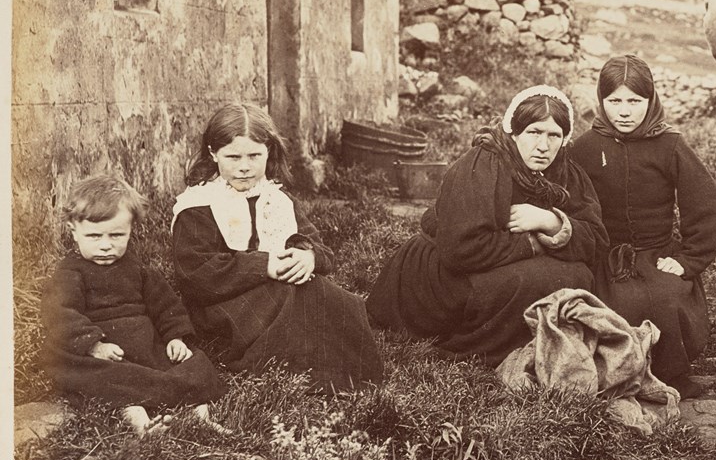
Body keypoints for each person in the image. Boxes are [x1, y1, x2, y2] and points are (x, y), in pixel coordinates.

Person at [366, 85, 608, 363]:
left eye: (554, 135)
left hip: (497, 261)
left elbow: (596, 241)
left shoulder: (566, 171)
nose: (543, 146)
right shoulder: (484, 164)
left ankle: (538, 345)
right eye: (534, 133)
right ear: (514, 133)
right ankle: (484, 347)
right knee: (531, 280)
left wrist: (551, 222)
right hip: (441, 279)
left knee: (577, 276)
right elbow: (461, 250)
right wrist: (532, 243)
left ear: (565, 139)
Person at [172, 103, 384, 394]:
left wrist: (307, 255)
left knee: (336, 298)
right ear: (213, 154)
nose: (244, 166)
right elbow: (195, 274)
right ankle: (299, 372)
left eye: (254, 156)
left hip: (272, 287)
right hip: (221, 300)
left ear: (268, 152)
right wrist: (264, 266)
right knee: (287, 299)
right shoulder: (198, 206)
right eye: (232, 157)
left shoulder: (276, 198)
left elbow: (318, 245)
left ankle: (351, 376)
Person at [573, 55, 716, 397]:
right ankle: (623, 375)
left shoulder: (669, 144)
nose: (624, 111)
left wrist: (689, 260)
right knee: (619, 307)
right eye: (615, 101)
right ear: (601, 102)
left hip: (657, 253)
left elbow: (709, 206)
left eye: (634, 101)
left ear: (651, 100)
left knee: (667, 299)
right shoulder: (584, 148)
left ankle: (672, 375)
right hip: (607, 256)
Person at [42, 175, 226, 435]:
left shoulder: (137, 268)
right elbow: (61, 314)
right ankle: (141, 422)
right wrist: (93, 344)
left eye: (116, 235)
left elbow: (164, 304)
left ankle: (201, 416)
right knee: (115, 381)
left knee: (194, 365)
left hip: (145, 346)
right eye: (94, 236)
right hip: (104, 352)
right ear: (73, 230)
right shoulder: (71, 272)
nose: (106, 245)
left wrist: (176, 338)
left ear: (131, 229)